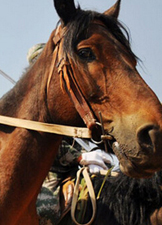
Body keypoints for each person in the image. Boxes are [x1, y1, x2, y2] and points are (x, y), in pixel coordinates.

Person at [31, 43, 118, 225]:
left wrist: (110, 145)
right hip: (48, 167)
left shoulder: (74, 97)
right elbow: (42, 140)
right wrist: (81, 157)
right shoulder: (33, 103)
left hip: (77, 168)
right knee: (46, 209)